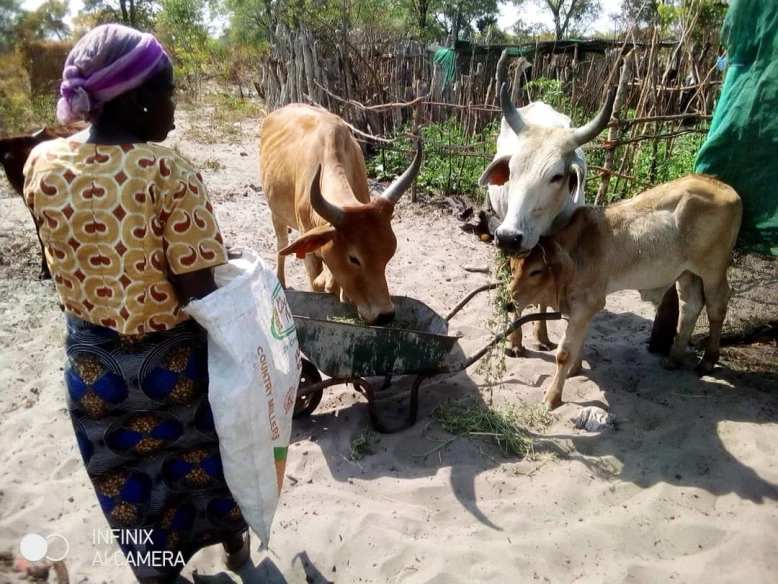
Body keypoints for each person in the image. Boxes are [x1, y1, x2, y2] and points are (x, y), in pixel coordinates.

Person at [22, 24, 249, 583]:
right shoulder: (166, 170)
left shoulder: (42, 164)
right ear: (138, 99)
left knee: (127, 480)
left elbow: (59, 255)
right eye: (170, 93)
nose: (175, 106)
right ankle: (233, 547)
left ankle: (157, 574)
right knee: (208, 465)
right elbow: (198, 290)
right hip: (173, 367)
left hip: (93, 369)